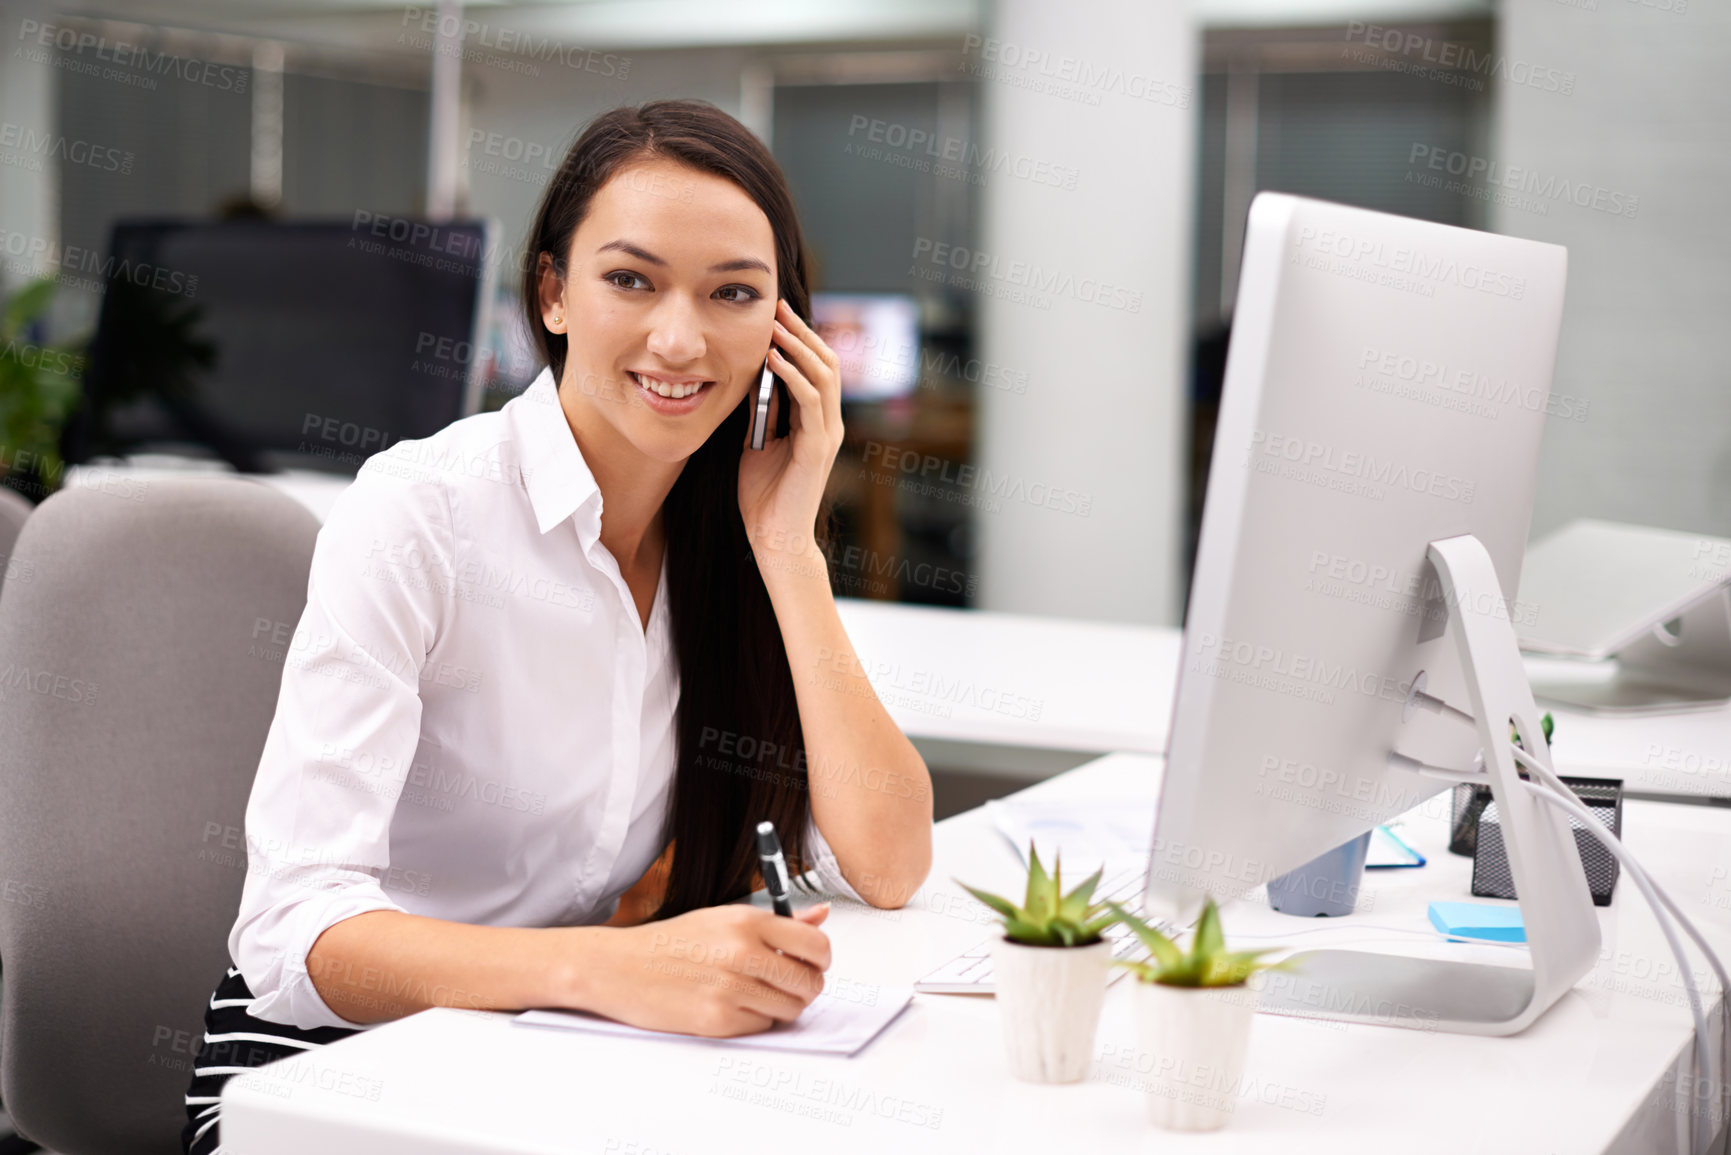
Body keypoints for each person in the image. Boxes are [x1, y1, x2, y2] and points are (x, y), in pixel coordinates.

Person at [181, 98, 933, 1155]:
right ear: (554, 292)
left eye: (734, 294)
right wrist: (608, 971)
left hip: (538, 1060)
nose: (681, 336)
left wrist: (791, 552)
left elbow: (891, 863)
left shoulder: (729, 545)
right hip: (316, 1077)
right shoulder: (422, 514)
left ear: (783, 333)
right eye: (632, 279)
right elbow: (291, 933)